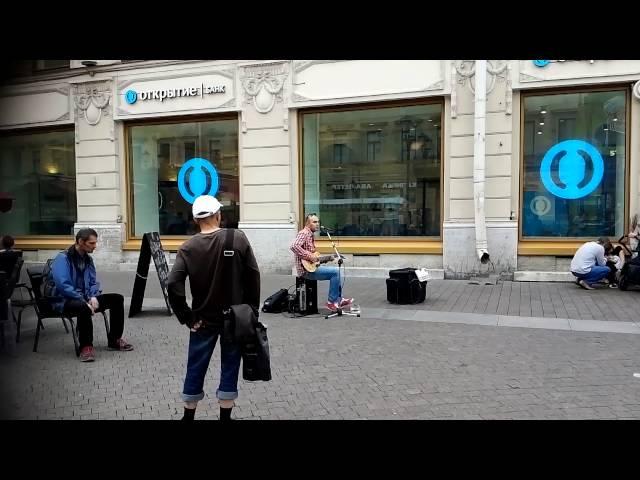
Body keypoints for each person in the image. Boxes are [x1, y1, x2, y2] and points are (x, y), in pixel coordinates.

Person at [168, 195, 260, 422]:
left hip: (202, 318)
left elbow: (172, 283)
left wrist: (186, 316)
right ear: (218, 215)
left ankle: (188, 415)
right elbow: (253, 276)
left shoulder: (187, 248)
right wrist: (252, 311)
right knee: (230, 365)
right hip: (235, 317)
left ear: (195, 219)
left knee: (196, 365)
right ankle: (225, 416)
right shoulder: (237, 238)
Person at [49, 228, 133, 362]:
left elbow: (93, 282)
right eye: (91, 243)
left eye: (95, 243)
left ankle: (114, 340)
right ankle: (86, 347)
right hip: (65, 301)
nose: (95, 246)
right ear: (80, 241)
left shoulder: (88, 260)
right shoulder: (63, 258)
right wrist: (84, 300)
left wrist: (93, 296)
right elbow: (63, 285)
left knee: (117, 299)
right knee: (83, 307)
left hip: (86, 298)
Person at [290, 213, 353, 312]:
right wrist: (310, 256)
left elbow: (315, 260)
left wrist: (329, 258)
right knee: (335, 272)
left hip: (311, 268)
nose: (317, 224)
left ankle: (339, 300)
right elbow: (294, 246)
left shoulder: (310, 235)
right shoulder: (304, 233)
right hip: (305, 271)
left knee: (336, 271)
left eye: (318, 222)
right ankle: (331, 302)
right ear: (307, 223)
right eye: (314, 222)